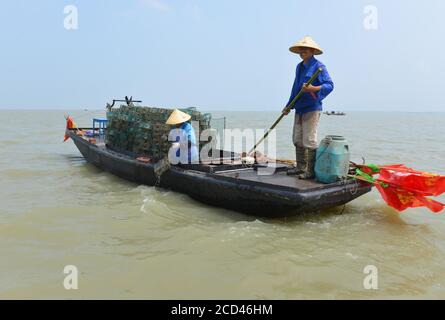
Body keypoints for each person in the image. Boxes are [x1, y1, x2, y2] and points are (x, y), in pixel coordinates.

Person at [284, 36, 334, 179]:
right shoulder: (299, 67)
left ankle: (310, 171)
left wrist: (313, 88)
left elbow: (330, 85)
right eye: (301, 49)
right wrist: (289, 105)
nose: (302, 51)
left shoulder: (319, 67)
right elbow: (295, 88)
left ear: (312, 51)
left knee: (309, 140)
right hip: (299, 106)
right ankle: (300, 167)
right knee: (297, 138)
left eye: (305, 49)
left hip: (312, 107)